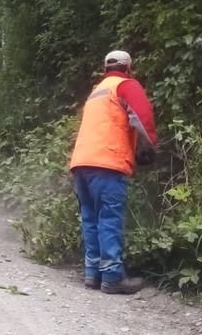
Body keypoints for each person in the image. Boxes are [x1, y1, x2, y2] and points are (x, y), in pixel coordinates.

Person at [69, 50, 158, 295]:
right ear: (129, 67)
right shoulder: (126, 85)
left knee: (90, 219)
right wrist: (148, 145)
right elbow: (142, 116)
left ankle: (93, 274)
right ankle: (112, 277)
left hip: (81, 162)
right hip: (107, 163)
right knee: (109, 218)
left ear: (105, 68)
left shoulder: (97, 91)